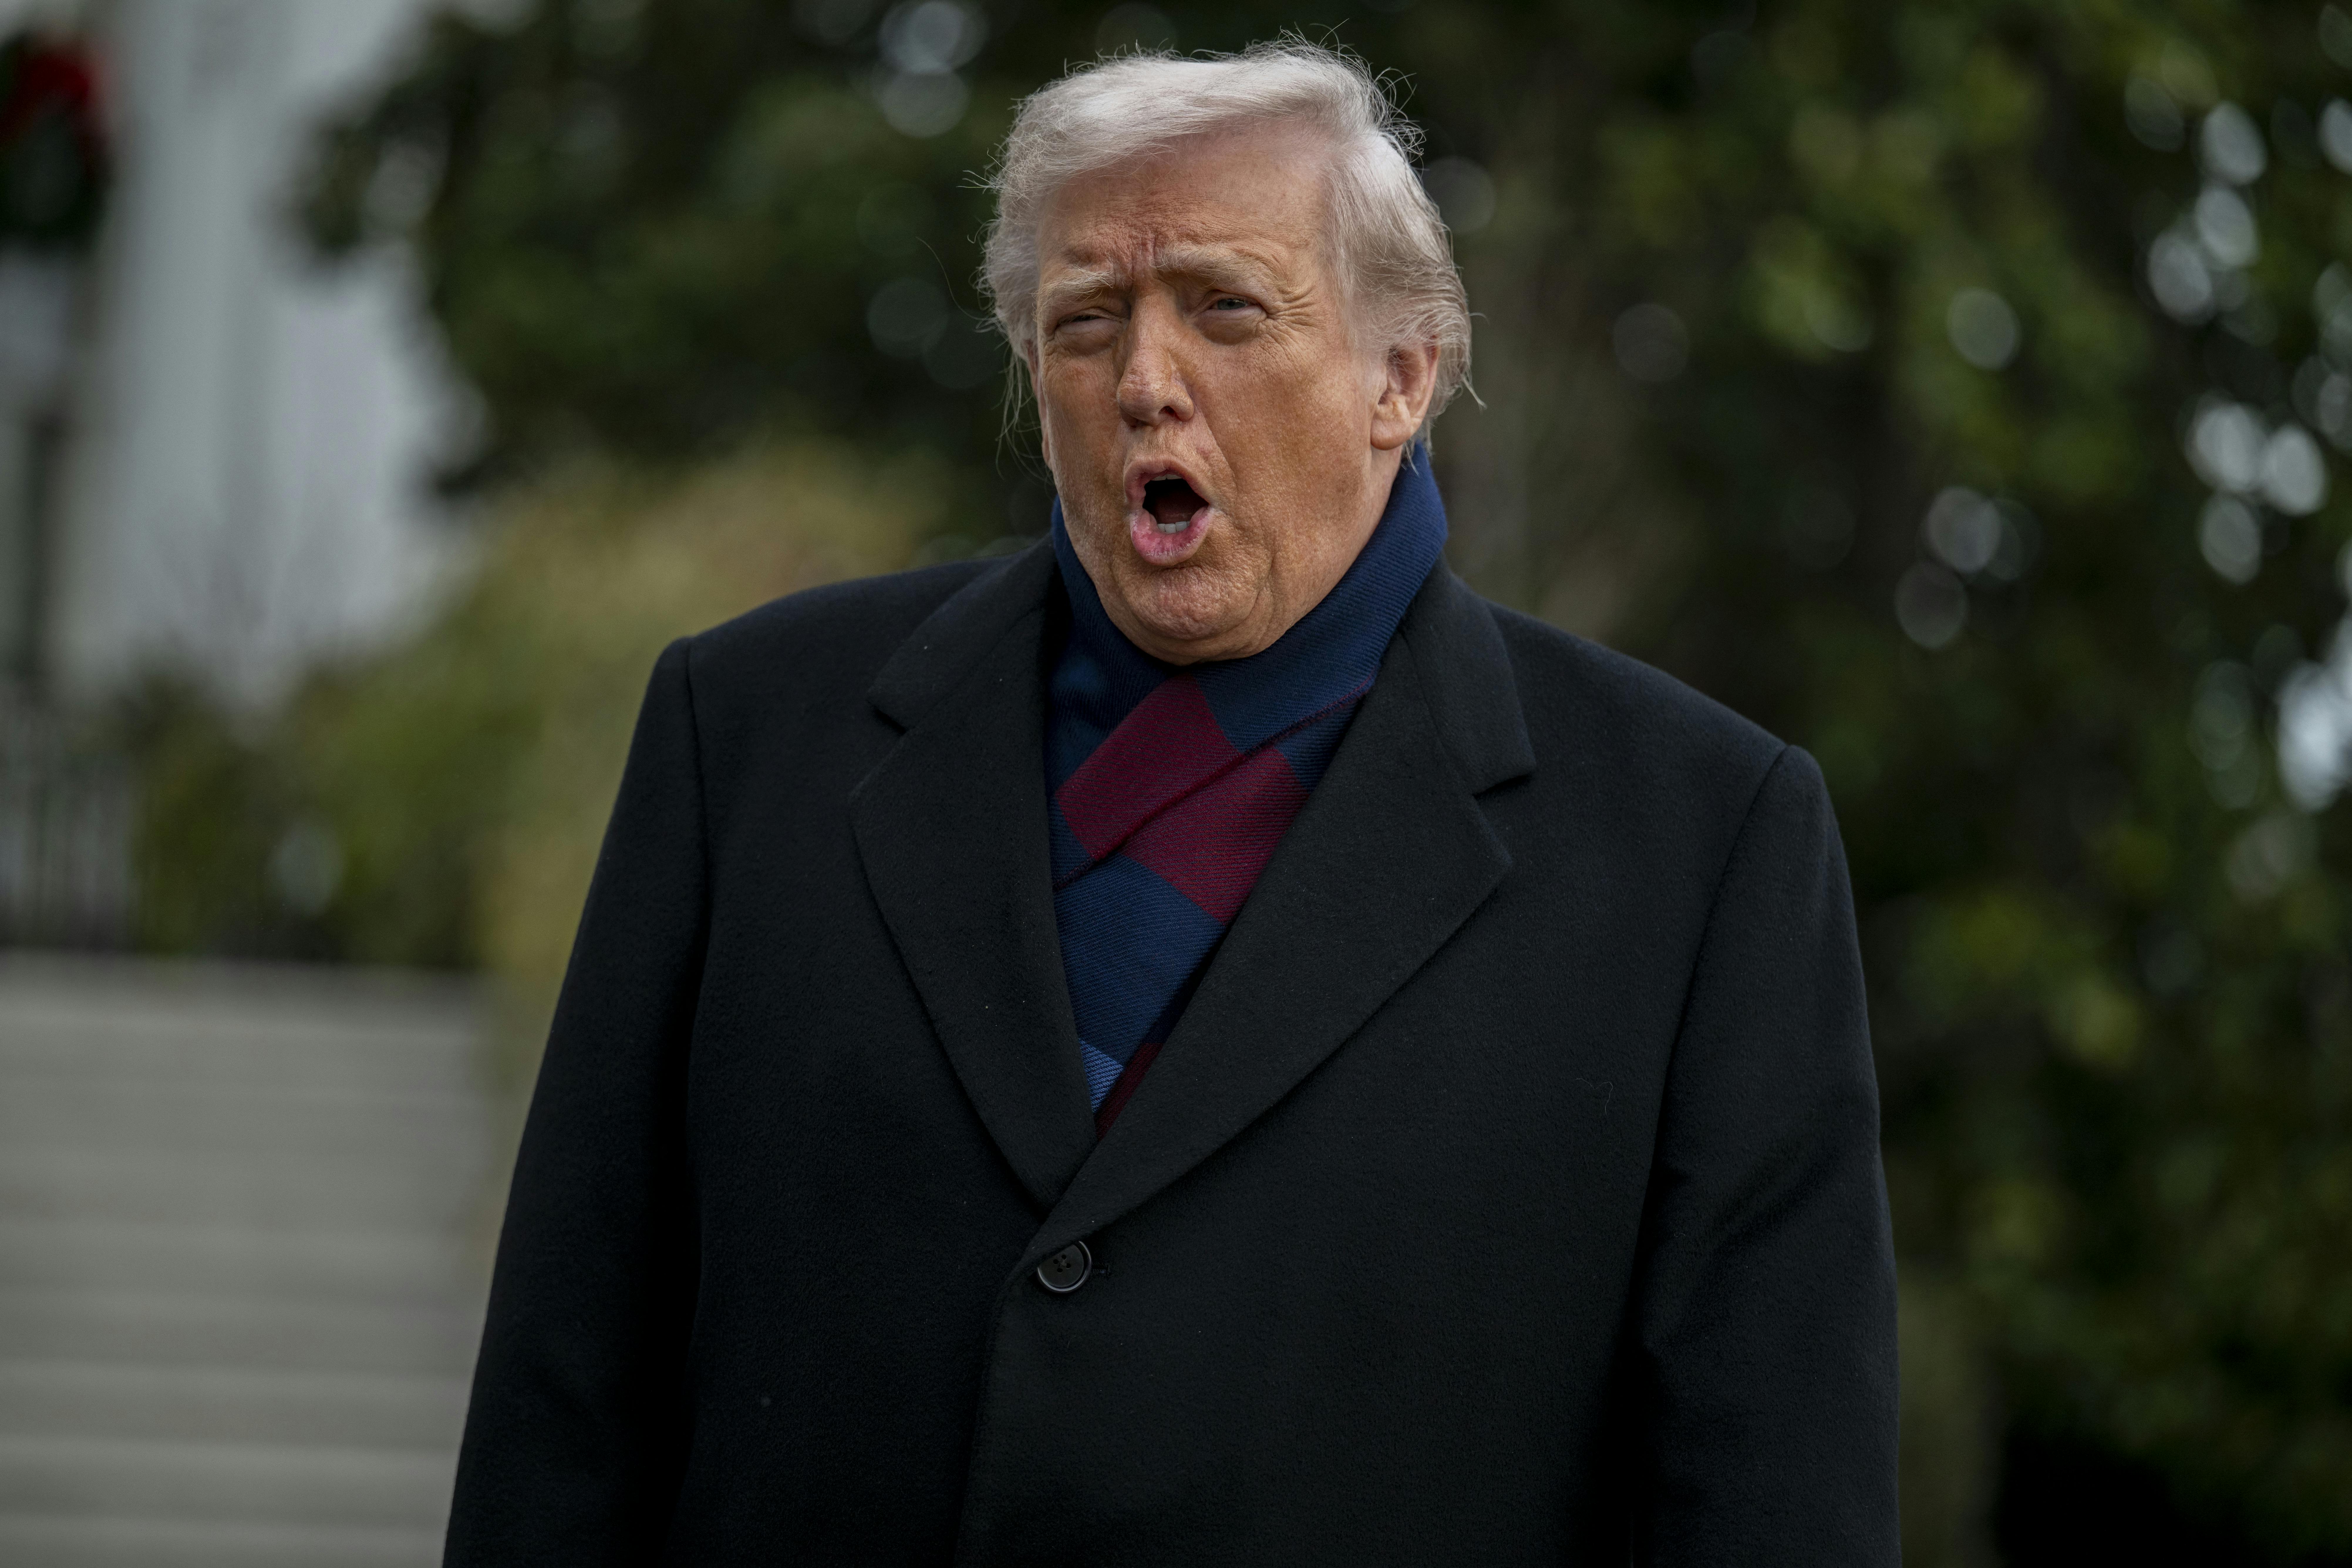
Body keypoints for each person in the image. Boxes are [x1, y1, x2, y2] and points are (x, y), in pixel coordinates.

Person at [444, 42, 1898, 1566]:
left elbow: (1773, 1503)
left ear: (1401, 376)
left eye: (1226, 309)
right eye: (1087, 322)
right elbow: (565, 1401)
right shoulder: (746, 737)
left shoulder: (1704, 843)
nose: (1144, 381)